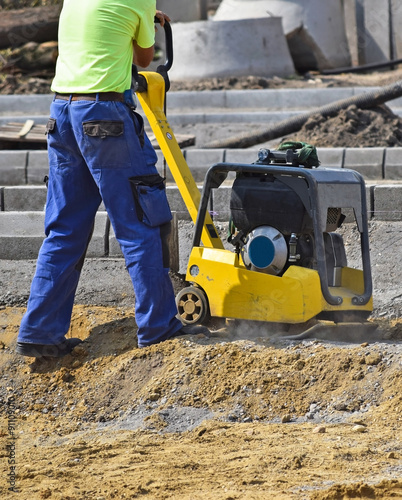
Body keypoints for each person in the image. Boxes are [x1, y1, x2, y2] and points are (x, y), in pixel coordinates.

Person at [16, 0, 206, 358]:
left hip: (62, 114)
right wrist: (144, 23)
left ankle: (40, 332)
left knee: (65, 228)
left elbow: (102, 28)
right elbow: (144, 60)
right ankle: (159, 327)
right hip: (105, 118)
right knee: (142, 222)